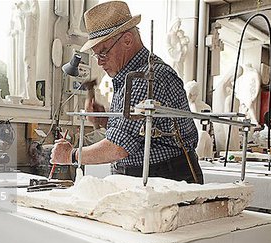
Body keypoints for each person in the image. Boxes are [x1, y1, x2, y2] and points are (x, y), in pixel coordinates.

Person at [51, 1, 203, 184]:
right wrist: (107, 121)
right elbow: (140, 133)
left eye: (103, 53)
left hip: (166, 178)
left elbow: (119, 147)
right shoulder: (129, 76)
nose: (99, 62)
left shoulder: (145, 78)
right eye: (96, 55)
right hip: (149, 176)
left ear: (127, 40)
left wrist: (71, 155)